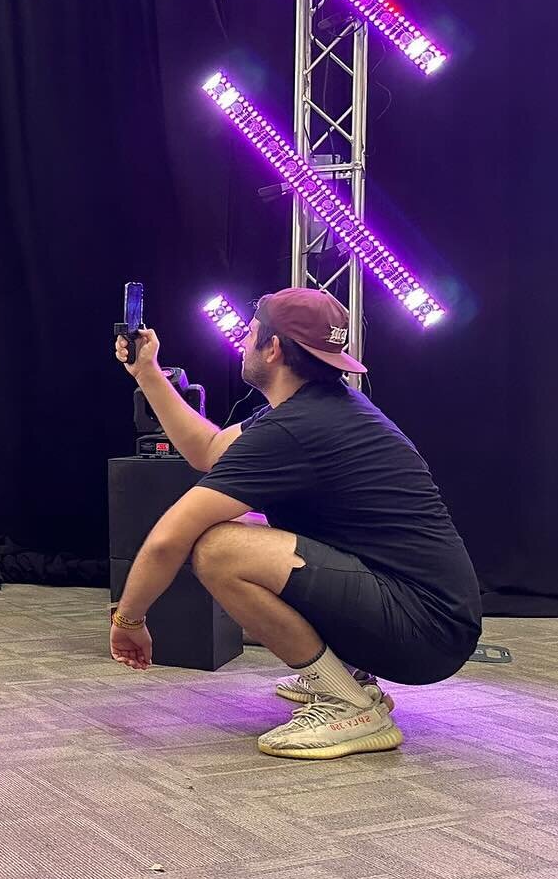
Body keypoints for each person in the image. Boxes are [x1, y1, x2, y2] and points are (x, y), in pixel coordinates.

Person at [111, 287, 482, 760]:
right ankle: (350, 675)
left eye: (249, 335)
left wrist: (129, 620)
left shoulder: (297, 428)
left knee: (218, 548)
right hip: (424, 615)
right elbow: (207, 450)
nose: (242, 343)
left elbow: (169, 539)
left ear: (273, 348)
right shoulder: (318, 409)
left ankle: (347, 704)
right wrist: (147, 373)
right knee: (244, 523)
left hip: (425, 629)